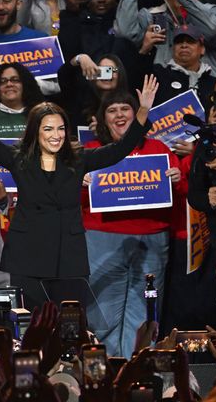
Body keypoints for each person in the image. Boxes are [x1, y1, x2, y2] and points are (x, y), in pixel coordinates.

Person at [0, 67, 158, 307]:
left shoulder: (78, 159)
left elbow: (119, 150)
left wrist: (142, 112)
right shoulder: (19, 159)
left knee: (69, 325)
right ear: (35, 132)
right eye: (48, 129)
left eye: (60, 128)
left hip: (67, 256)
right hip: (28, 255)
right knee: (33, 325)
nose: (56, 135)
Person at [81, 90, 183, 357]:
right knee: (102, 316)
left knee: (144, 319)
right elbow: (67, 194)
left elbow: (178, 194)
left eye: (124, 108)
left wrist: (176, 179)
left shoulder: (158, 149)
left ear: (136, 113)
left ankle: (137, 377)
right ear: (103, 119)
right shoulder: (90, 151)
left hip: (151, 239)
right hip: (102, 237)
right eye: (112, 110)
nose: (119, 115)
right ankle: (105, 380)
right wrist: (79, 183)